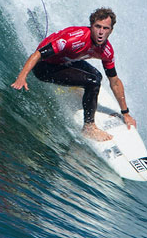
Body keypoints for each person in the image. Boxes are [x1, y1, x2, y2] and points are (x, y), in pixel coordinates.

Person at [11, 7, 137, 142]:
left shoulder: (106, 51)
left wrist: (126, 113)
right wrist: (22, 77)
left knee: (97, 76)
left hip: (65, 61)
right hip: (44, 67)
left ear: (111, 30)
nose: (101, 32)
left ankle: (79, 89)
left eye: (105, 28)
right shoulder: (75, 39)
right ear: (91, 26)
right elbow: (37, 54)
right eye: (97, 27)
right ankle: (89, 128)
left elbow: (115, 82)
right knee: (93, 82)